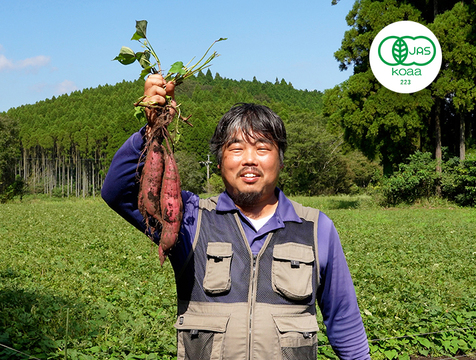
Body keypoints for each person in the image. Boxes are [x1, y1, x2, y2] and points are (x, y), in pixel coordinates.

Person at [101, 73, 370, 359]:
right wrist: (152, 128)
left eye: (263, 148)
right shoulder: (190, 219)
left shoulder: (316, 228)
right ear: (219, 163)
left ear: (280, 161)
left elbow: (344, 323)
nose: (250, 159)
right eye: (236, 148)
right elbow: (118, 191)